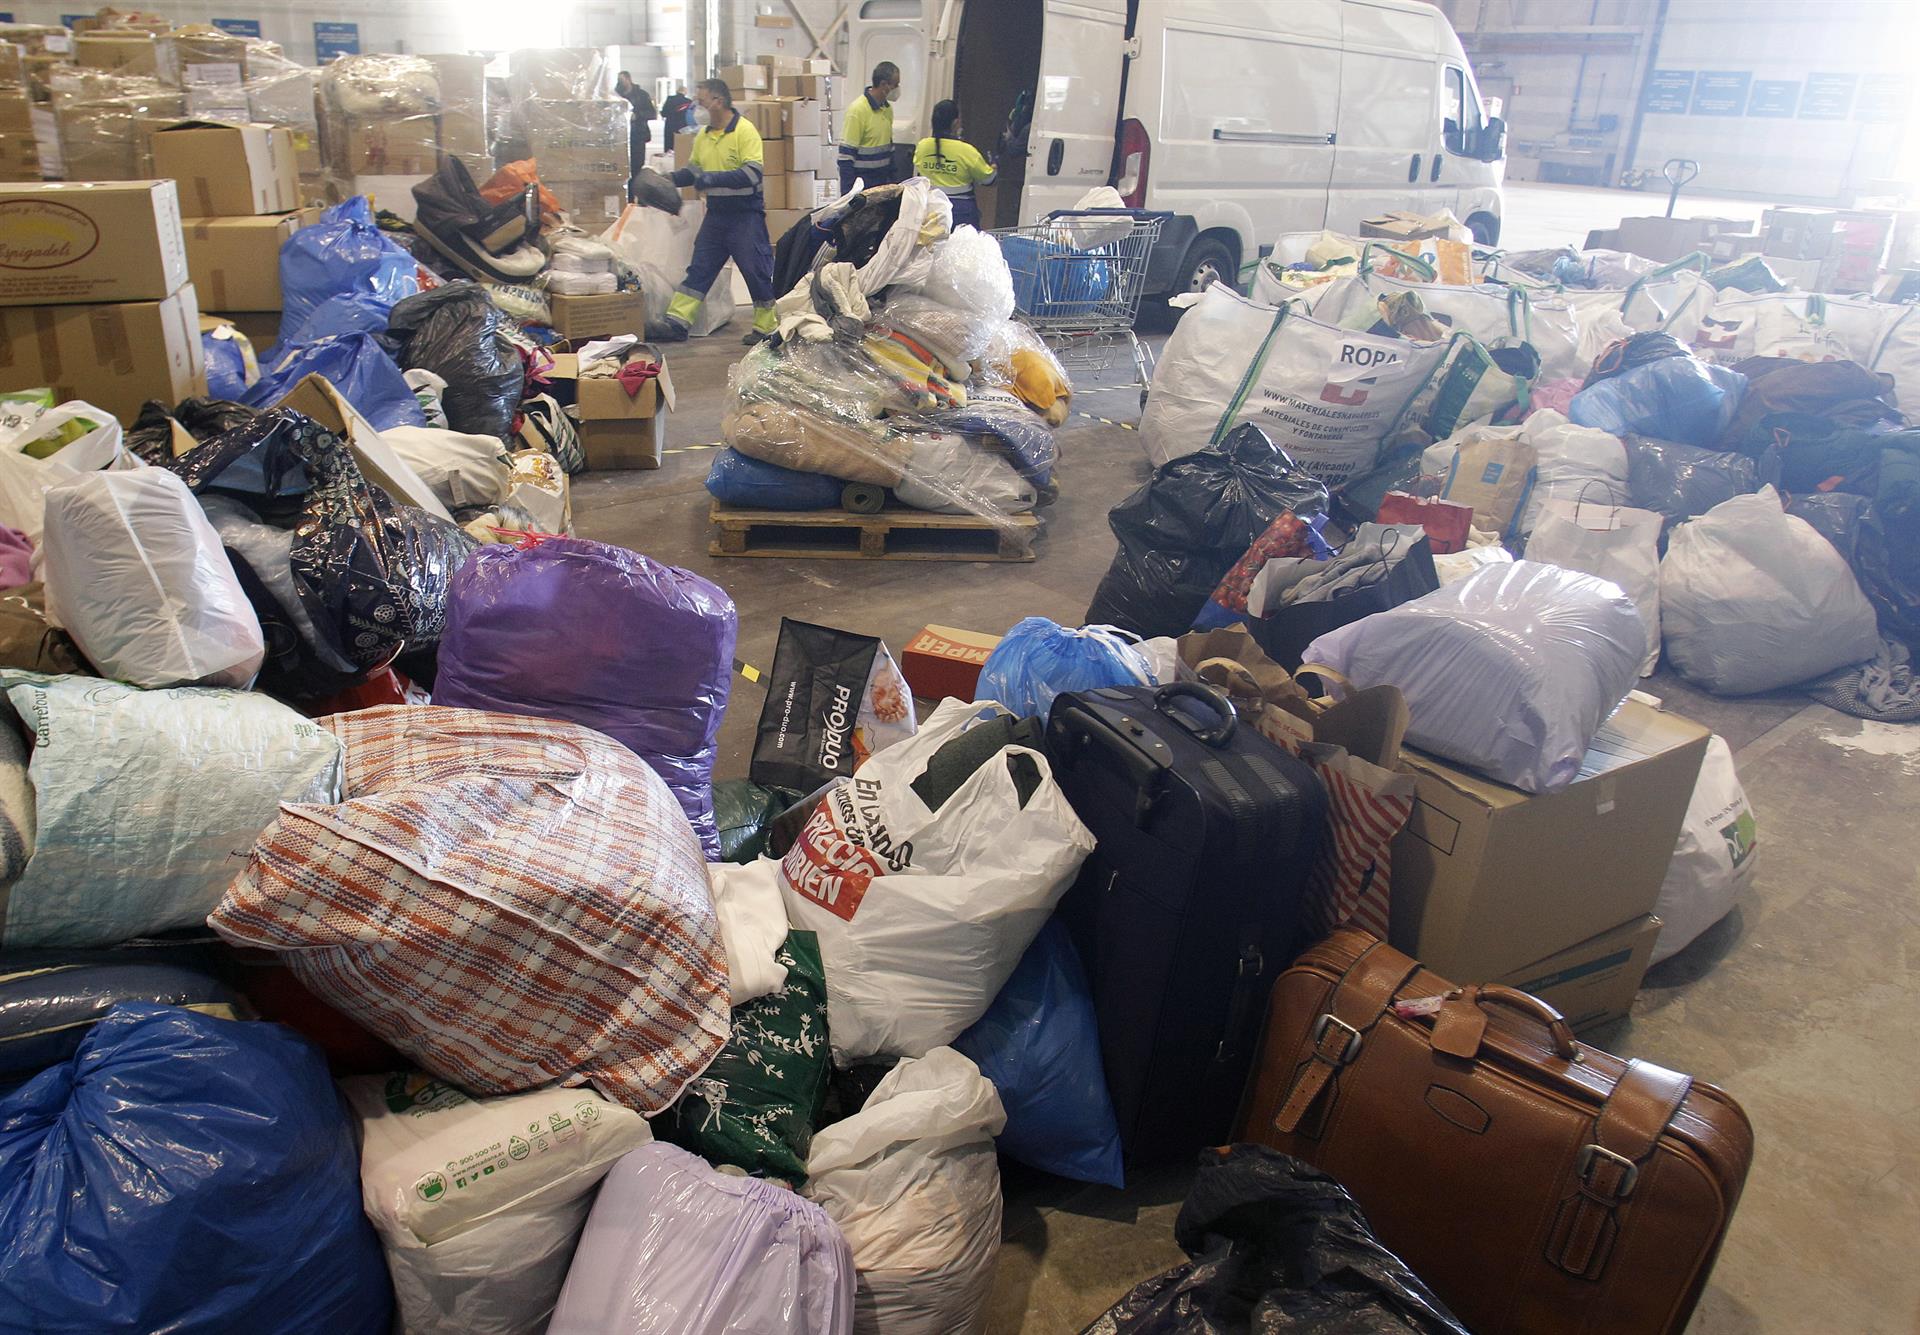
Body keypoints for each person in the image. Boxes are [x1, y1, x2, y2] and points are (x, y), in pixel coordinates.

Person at [662, 78, 778, 346]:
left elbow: (751, 174)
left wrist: (711, 179)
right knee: (700, 268)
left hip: (745, 216)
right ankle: (677, 322)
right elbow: (694, 171)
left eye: (701, 101)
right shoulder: (703, 135)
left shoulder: (744, 132)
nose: (697, 106)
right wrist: (669, 179)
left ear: (719, 101)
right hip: (716, 216)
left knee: (755, 270)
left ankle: (767, 327)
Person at [913, 99, 995, 231]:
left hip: (929, 209)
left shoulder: (922, 146)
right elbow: (989, 180)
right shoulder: (966, 150)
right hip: (960, 212)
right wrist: (994, 167)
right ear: (955, 123)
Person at [838, 60, 900, 194]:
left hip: (881, 183)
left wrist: (895, 183)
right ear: (884, 85)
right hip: (862, 185)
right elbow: (845, 157)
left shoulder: (887, 110)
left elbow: (889, 149)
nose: (897, 89)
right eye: (895, 85)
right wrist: (848, 195)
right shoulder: (857, 110)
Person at [614, 71, 657, 203]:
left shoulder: (641, 95)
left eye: (623, 80)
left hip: (637, 136)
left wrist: (637, 116)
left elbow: (652, 113)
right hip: (619, 140)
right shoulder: (615, 95)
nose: (621, 83)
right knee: (622, 170)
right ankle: (626, 199)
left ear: (628, 79)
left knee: (636, 170)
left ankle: (637, 198)